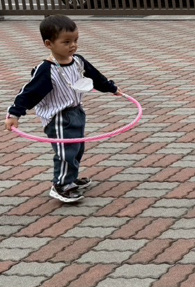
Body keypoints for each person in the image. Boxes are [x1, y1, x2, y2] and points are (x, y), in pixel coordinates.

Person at [4, 15, 121, 204]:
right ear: (49, 44)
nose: (73, 45)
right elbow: (29, 93)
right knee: (66, 150)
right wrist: (14, 114)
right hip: (58, 117)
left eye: (75, 40)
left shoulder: (78, 61)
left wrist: (111, 88)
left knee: (77, 148)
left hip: (76, 111)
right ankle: (61, 185)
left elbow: (95, 77)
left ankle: (70, 178)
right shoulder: (47, 69)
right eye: (66, 42)